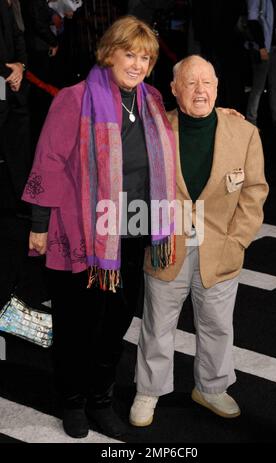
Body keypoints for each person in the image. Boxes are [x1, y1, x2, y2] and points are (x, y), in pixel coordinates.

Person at [21, 15, 177, 439]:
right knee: (77, 324)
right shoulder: (75, 99)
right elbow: (48, 161)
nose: (138, 64)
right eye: (130, 54)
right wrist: (39, 222)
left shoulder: (153, 100)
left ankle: (100, 400)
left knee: (115, 324)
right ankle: (72, 402)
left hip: (132, 232)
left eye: (145, 57)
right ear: (109, 53)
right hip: (82, 234)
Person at [129, 55, 269, 427]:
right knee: (158, 324)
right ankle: (149, 390)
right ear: (174, 90)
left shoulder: (244, 133)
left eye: (207, 82)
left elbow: (254, 192)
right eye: (190, 83)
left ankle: (211, 387)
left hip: (220, 249)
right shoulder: (154, 129)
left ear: (218, 87)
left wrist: (237, 241)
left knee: (217, 324)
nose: (200, 90)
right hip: (166, 246)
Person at [0, 0, 29, 208]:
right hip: (3, 82)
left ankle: (24, 200)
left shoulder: (9, 5)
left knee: (19, 142)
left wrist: (20, 66)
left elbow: (18, 35)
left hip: (13, 84)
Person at [245, 0, 276, 131]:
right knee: (258, 87)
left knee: (275, 86)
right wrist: (261, 47)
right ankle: (251, 122)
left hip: (275, 48)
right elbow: (252, 21)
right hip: (262, 48)